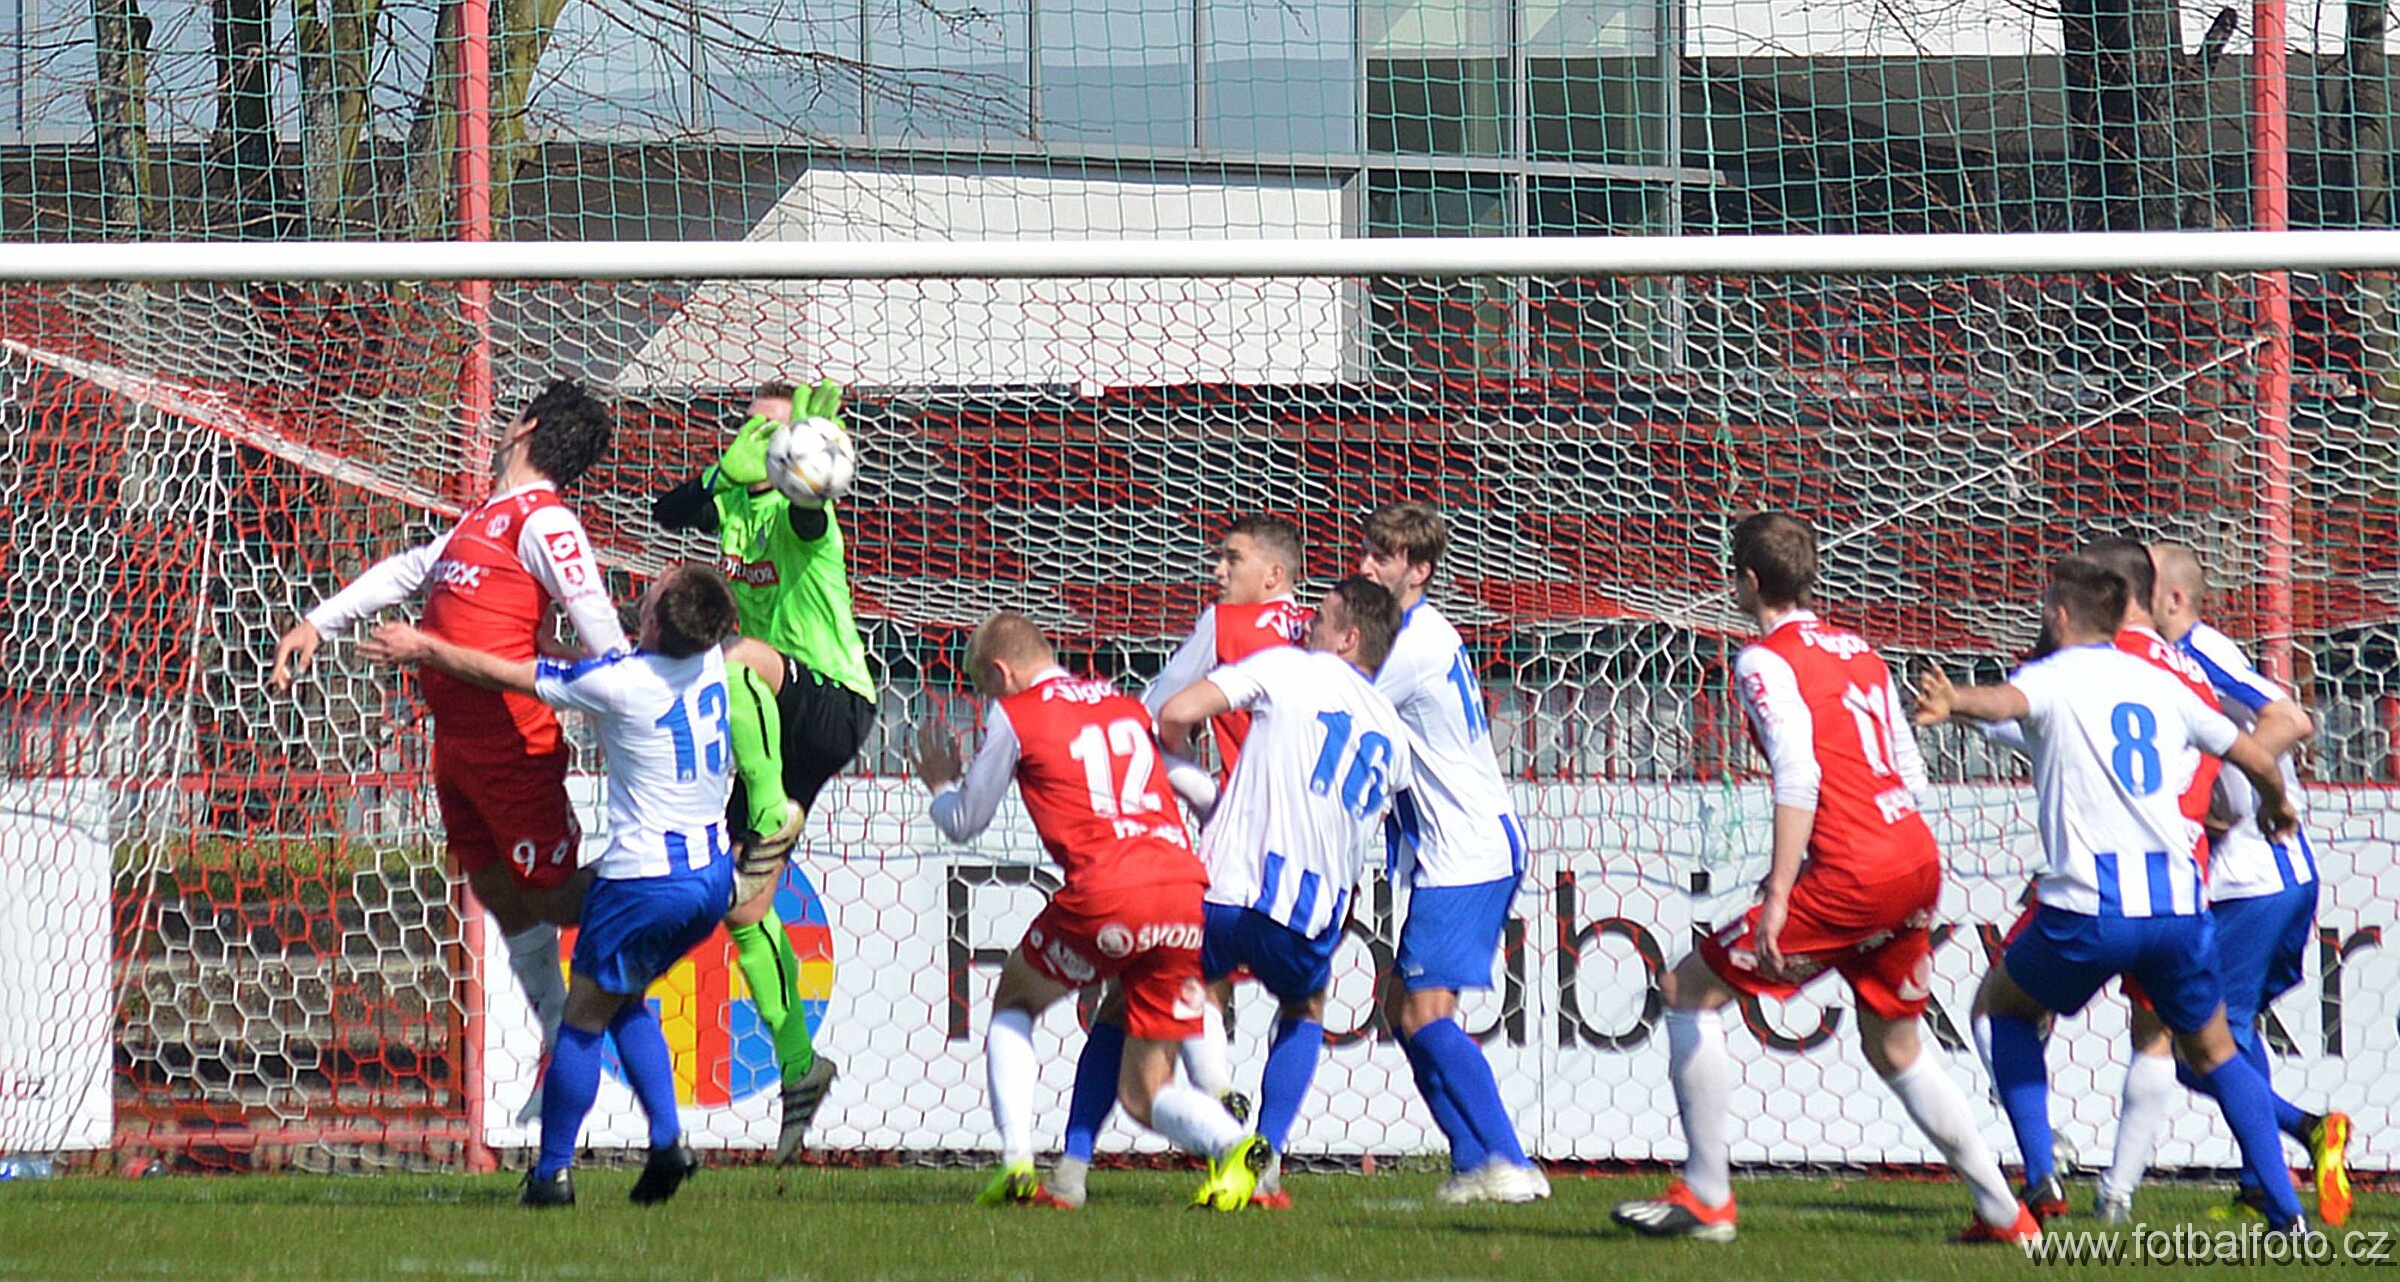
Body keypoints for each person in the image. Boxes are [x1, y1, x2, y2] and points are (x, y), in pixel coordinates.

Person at [1610, 513, 2035, 1245]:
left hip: (1854, 870)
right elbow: (1909, 772)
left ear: (1748, 581)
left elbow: (1798, 773)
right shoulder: (1859, 650)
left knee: (1686, 991)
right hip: (1912, 856)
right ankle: (2005, 1214)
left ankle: (1707, 1197)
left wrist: (1782, 889)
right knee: (1894, 1045)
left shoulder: (1762, 660)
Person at [1914, 557, 2311, 1233]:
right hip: (2179, 907)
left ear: (2061, 615)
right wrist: (2277, 806)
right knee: (2215, 1050)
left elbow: (2004, 703)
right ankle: (2287, 1214)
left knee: (2003, 1007)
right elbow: (2252, 754)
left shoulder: (2053, 676)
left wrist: (1955, 702)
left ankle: (2041, 1175)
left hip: (2091, 907)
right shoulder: (2164, 683)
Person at [269, 378, 620, 1119]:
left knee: (555, 896)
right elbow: (409, 570)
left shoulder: (547, 522)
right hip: (457, 743)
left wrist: (627, 699)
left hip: (511, 741)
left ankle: (676, 887)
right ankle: (557, 1029)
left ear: (524, 428)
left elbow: (601, 629)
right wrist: (318, 623)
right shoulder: (485, 518)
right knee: (494, 885)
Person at [359, 563, 748, 1208]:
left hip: (645, 882)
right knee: (622, 997)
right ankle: (667, 1142)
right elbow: (614, 669)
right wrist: (555, 646)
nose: (649, 584)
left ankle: (551, 1176)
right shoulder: (709, 660)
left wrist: (426, 646)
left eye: (655, 591)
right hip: (709, 878)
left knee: (581, 1020)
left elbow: (509, 676)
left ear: (654, 623)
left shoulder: (621, 685)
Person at [910, 613, 1266, 1210]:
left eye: (987, 686)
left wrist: (942, 785)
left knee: (1016, 1000)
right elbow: (1195, 788)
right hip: (1182, 887)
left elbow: (966, 822)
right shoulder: (1124, 705)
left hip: (1109, 890)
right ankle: (1235, 1145)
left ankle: (1017, 1162)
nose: (990, 699)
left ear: (1002, 671)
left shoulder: (1017, 713)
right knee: (1144, 1090)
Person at [1046, 514, 1313, 1208]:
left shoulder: (1228, 625)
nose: (1218, 571)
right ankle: (1261, 1150)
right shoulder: (1323, 634)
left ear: (1272, 574)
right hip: (1311, 858)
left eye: (1232, 558)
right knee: (1300, 1001)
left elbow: (1158, 710)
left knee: (1131, 998)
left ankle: (1076, 1167)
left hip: (1232, 848)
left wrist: (1192, 785)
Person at [1962, 535, 2224, 1222]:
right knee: (2169, 1038)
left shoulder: (2084, 662)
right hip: (2181, 876)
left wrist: (1979, 703)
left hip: (2098, 874)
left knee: (2000, 1005)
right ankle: (2118, 1195)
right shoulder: (2200, 661)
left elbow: (2016, 722)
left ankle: (2041, 1156)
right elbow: (2261, 731)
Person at [653, 378, 875, 1161]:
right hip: (770, 722)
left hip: (830, 701)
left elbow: (811, 513)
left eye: (775, 434)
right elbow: (666, 512)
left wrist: (807, 474)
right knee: (744, 909)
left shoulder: (802, 516)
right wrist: (721, 476)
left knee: (733, 653)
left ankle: (774, 806)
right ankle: (799, 1065)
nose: (762, 446)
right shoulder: (736, 504)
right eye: (752, 433)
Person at [1153, 575, 1412, 1211]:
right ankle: (1265, 1157)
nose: (1305, 626)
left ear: (1348, 638)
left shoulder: (1287, 666)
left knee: (1165, 999)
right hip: (1308, 915)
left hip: (1228, 888)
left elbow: (1175, 712)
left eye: (1319, 618)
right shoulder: (1395, 737)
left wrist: (1178, 766)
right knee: (1304, 1007)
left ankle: (1193, 1132)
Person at [2143, 542, 2351, 1226]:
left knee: (2201, 1049)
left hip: (2257, 875)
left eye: (2142, 585)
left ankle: (2305, 1136)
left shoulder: (2200, 651)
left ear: (2174, 599)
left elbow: (2291, 718)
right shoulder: (2163, 661)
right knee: (2221, 1038)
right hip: (2246, 878)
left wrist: (2241, 785)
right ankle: (2264, 1180)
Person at [1354, 502, 1544, 1203]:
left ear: (1419, 570)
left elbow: (1336, 700)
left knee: (1424, 1016)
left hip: (1466, 850)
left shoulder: (1413, 646)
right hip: (1455, 848)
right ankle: (1471, 1162)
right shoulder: (1411, 633)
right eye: (1366, 551)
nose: (1365, 565)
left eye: (1382, 556)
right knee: (1403, 1005)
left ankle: (1512, 1161)